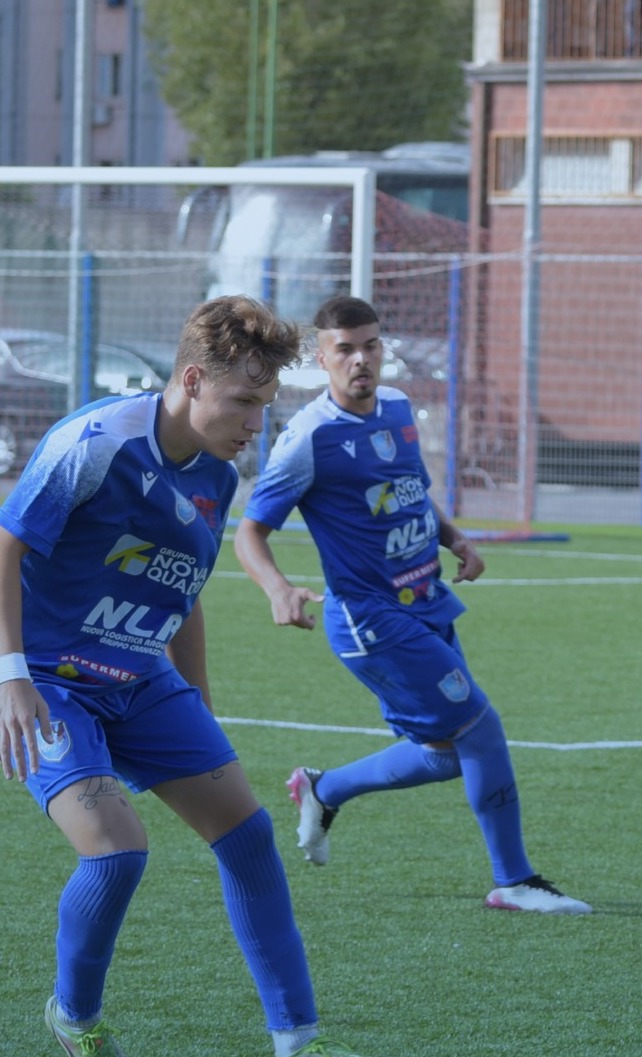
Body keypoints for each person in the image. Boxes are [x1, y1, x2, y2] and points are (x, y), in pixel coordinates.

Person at [0, 296, 366, 1057]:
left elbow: (183, 592)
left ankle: (298, 1039)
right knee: (117, 848)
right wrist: (11, 677)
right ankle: (75, 1018)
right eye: (243, 401)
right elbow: (5, 549)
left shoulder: (218, 478)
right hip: (49, 681)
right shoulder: (93, 443)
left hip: (138, 675)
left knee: (249, 834)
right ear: (193, 379)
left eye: (264, 405)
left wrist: (199, 705)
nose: (254, 424)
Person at [234, 297, 588, 917]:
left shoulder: (397, 409)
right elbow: (249, 531)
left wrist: (457, 540)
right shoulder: (309, 437)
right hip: (372, 620)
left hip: (428, 603)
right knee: (481, 729)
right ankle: (515, 880)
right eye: (344, 348)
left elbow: (412, 496)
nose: (361, 359)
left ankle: (324, 789)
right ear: (321, 358)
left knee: (445, 754)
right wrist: (277, 589)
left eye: (370, 344)